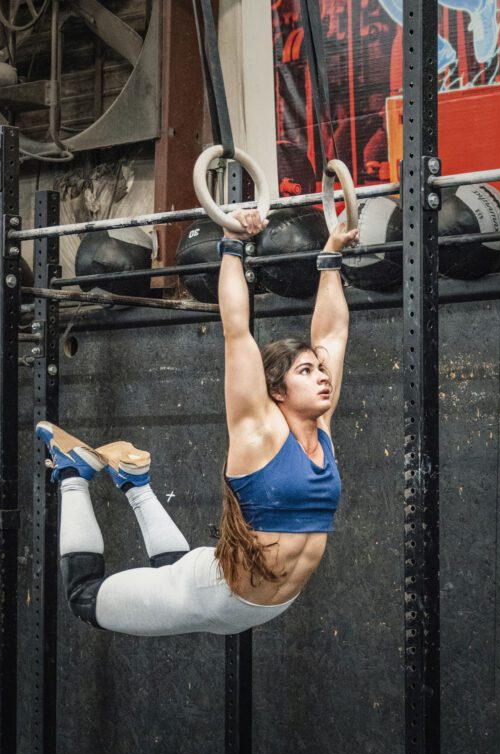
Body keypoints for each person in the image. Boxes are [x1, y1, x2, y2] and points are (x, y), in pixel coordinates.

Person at [36, 209, 359, 636]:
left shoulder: (321, 431)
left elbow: (332, 335)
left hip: (260, 607)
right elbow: (236, 329)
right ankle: (72, 473)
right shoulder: (257, 429)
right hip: (213, 594)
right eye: (305, 372)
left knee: (172, 570)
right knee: (85, 598)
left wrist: (331, 255)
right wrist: (230, 243)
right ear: (276, 391)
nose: (323, 376)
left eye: (320, 371)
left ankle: (135, 482)